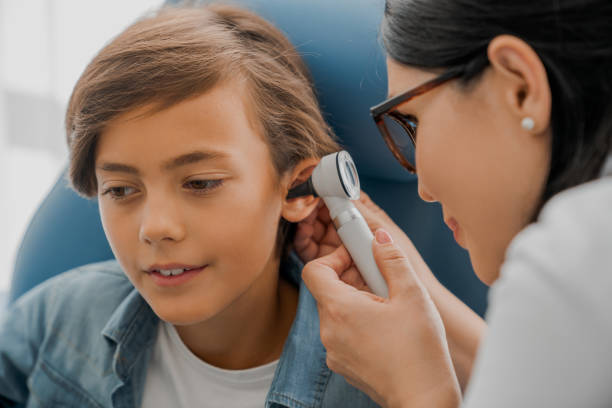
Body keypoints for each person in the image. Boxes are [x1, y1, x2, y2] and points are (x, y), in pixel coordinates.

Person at [0, 4, 381, 407]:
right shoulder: (59, 315)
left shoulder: (376, 380)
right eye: (121, 190)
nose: (155, 227)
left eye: (200, 183)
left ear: (299, 190)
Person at [296, 0, 612, 407]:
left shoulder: (574, 257)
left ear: (520, 87)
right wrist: (428, 312)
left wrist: (414, 389)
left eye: (412, 121)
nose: (424, 187)